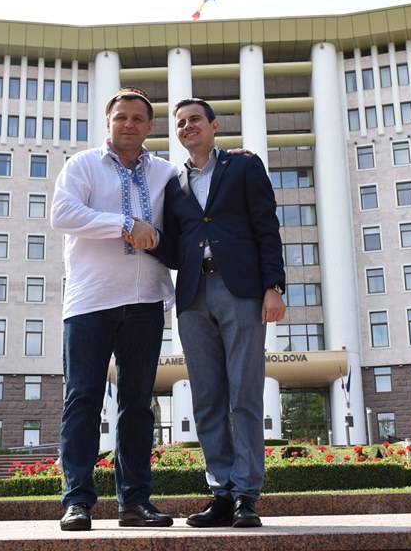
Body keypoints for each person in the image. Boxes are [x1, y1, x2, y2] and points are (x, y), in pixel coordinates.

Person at [150, 98, 286, 528]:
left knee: (244, 394)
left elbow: (266, 226)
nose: (187, 126)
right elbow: (176, 247)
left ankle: (246, 496)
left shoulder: (244, 166)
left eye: (195, 120)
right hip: (192, 296)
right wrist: (148, 238)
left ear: (214, 125)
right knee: (207, 398)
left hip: (240, 290)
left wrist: (273, 286)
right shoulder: (174, 184)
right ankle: (221, 493)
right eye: (180, 123)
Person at [50, 87, 177, 531]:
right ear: (108, 122)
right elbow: (63, 214)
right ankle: (77, 501)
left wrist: (233, 158)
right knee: (82, 399)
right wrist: (125, 224)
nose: (128, 124)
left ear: (150, 126)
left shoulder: (165, 172)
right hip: (89, 302)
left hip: (145, 301)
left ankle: (135, 502)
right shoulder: (83, 165)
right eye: (120, 117)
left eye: (138, 118)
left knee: (137, 405)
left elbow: (199, 192)